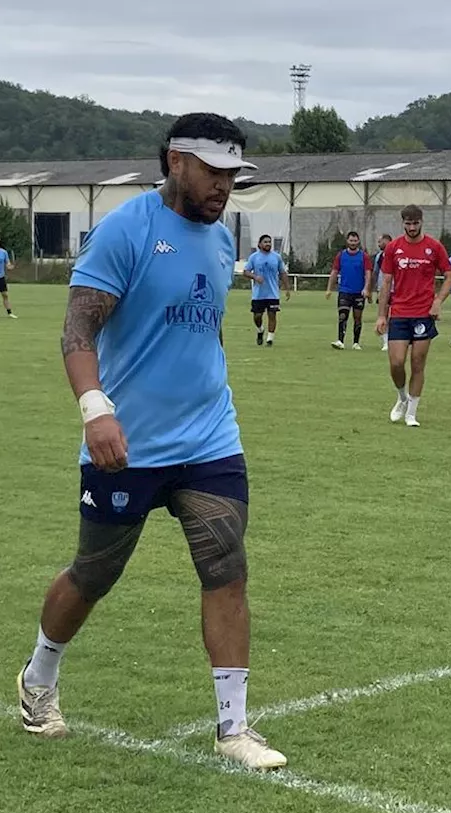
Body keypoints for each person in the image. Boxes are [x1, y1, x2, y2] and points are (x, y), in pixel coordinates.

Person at [15, 112, 286, 771]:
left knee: (226, 566)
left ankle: (234, 729)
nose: (224, 186)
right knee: (95, 573)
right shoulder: (124, 232)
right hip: (125, 444)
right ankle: (38, 677)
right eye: (214, 172)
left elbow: (205, 332)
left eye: (232, 175)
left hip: (209, 439)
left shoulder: (222, 242)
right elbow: (76, 332)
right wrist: (95, 409)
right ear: (175, 162)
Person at [376, 205, 451, 427]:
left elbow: (449, 277)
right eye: (408, 223)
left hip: (423, 314)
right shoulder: (393, 248)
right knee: (397, 363)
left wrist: (438, 301)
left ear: (422, 222)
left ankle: (411, 413)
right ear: (403, 224)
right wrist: (382, 315)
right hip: (400, 312)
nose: (412, 227)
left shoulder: (434, 247)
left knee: (418, 363)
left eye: (415, 223)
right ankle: (402, 398)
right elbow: (386, 283)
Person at [243, 234, 288, 346]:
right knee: (257, 316)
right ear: (259, 244)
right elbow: (246, 272)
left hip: (273, 293)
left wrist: (287, 288)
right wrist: (255, 277)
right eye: (265, 242)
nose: (268, 244)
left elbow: (282, 272)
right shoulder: (254, 257)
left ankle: (269, 339)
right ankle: (260, 330)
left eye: (269, 242)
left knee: (272, 315)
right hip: (259, 294)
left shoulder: (276, 257)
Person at [327, 231, 369, 350]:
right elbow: (334, 271)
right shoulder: (341, 255)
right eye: (351, 240)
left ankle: (356, 342)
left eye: (355, 241)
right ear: (347, 241)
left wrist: (366, 288)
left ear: (358, 241)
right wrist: (329, 288)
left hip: (358, 292)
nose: (353, 243)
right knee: (342, 316)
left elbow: (368, 273)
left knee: (357, 318)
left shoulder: (363, 256)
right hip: (344, 291)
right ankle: (340, 340)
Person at [372, 234, 393, 350]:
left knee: (395, 316)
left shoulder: (397, 254)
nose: (378, 244)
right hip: (383, 289)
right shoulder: (379, 257)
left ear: (387, 241)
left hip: (397, 289)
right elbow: (375, 273)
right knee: (383, 315)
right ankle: (386, 342)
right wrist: (372, 290)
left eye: (380, 241)